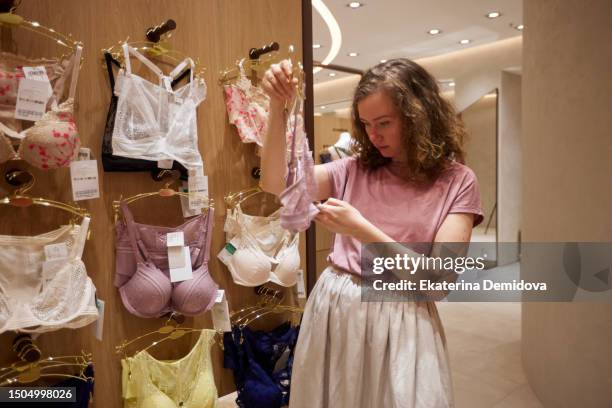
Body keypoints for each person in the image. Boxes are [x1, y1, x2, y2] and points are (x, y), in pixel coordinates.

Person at [260, 58, 483, 408]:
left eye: (384, 123)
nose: (373, 135)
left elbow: (439, 281)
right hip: (336, 308)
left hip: (403, 318)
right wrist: (277, 106)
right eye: (366, 124)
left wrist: (361, 230)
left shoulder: (457, 181)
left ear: (418, 116)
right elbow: (276, 183)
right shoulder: (354, 168)